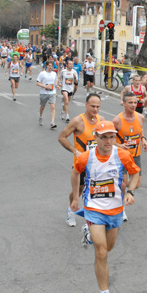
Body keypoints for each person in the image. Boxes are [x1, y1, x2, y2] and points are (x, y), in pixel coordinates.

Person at [70, 120, 140, 293]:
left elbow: (135, 174)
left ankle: (89, 234)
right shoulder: (86, 157)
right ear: (96, 138)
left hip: (115, 210)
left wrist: (130, 192)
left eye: (111, 137)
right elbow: (75, 173)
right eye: (104, 137)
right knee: (101, 253)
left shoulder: (123, 155)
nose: (108, 141)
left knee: (109, 248)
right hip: (93, 208)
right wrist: (76, 197)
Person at [58, 93, 104, 228]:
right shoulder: (77, 121)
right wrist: (75, 151)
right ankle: (71, 210)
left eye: (97, 107)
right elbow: (61, 137)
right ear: (86, 105)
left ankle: (95, 218)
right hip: (81, 164)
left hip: (97, 163)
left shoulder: (101, 119)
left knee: (98, 190)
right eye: (92, 106)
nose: (95, 109)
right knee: (78, 190)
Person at [113, 91, 147, 220]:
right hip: (121, 156)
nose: (133, 105)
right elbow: (109, 139)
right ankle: (122, 207)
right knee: (123, 184)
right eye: (130, 103)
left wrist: (143, 139)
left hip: (135, 155)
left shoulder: (140, 117)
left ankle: (117, 186)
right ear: (124, 103)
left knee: (137, 183)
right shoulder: (117, 120)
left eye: (135, 102)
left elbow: (140, 129)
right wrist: (119, 145)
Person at [36, 60, 58, 129]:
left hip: (52, 92)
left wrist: (56, 85)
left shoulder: (54, 74)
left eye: (52, 66)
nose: (50, 67)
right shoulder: (42, 74)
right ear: (46, 66)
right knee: (42, 106)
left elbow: (56, 80)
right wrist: (45, 86)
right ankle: (41, 116)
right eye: (49, 65)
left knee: (53, 106)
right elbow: (37, 83)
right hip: (44, 93)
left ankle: (52, 122)